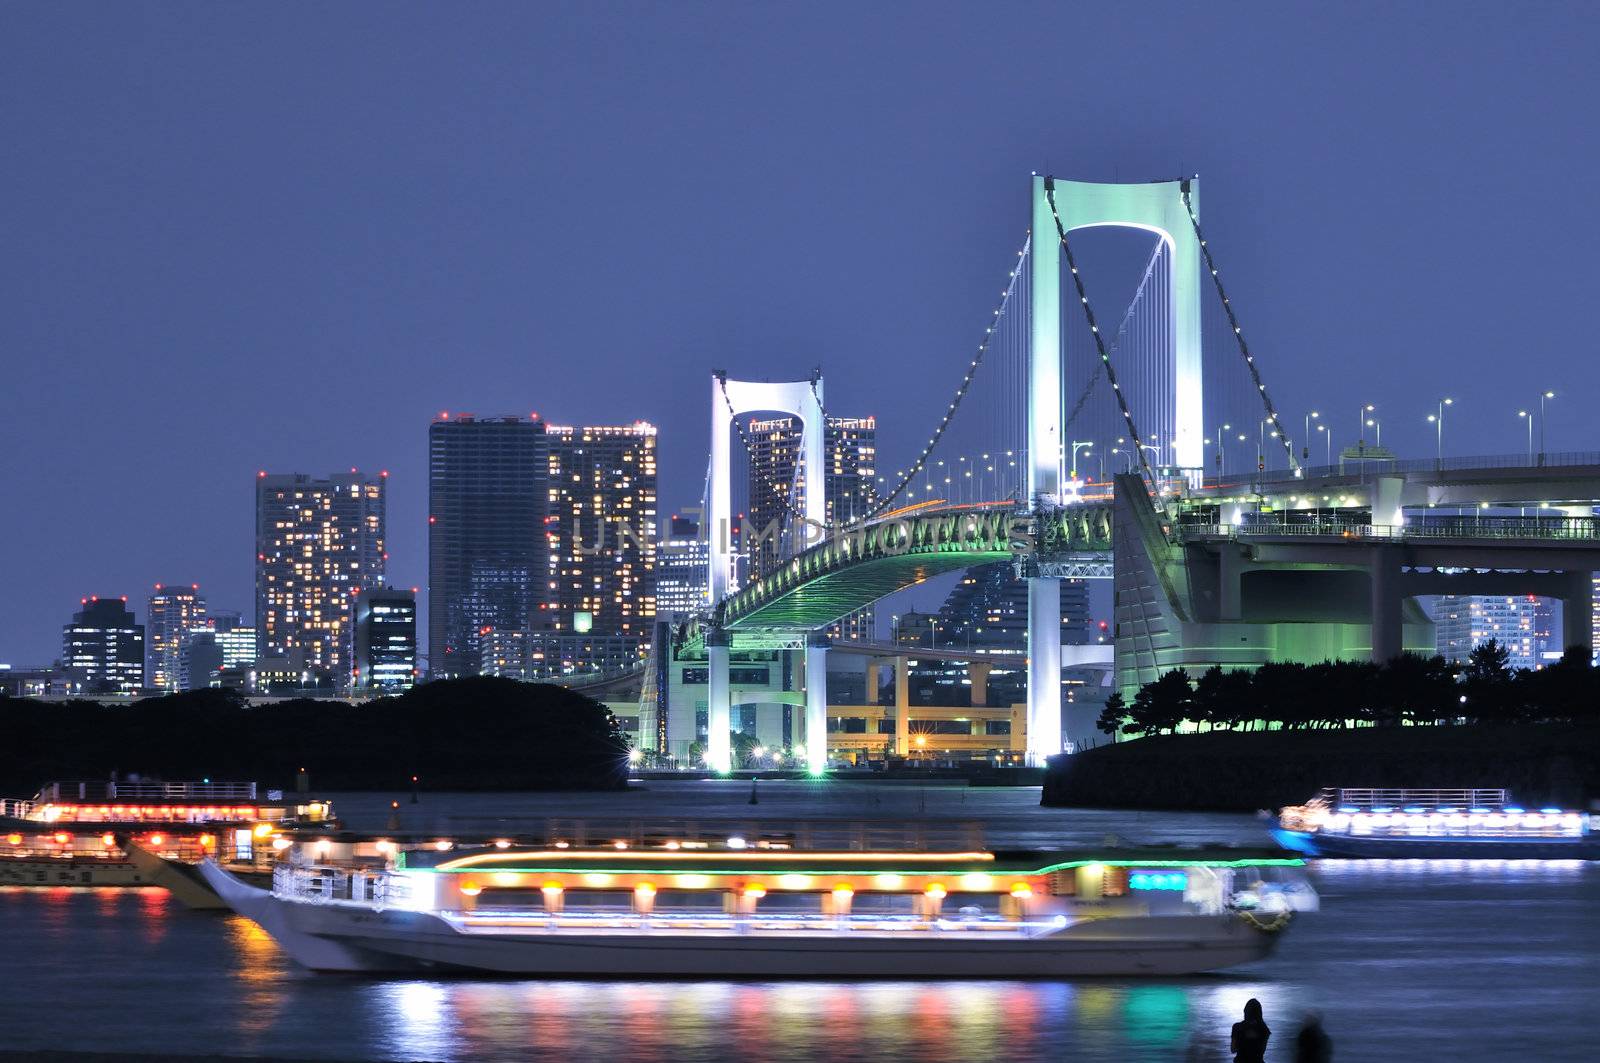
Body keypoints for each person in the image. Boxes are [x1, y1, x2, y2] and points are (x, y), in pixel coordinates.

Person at [1230, 998, 1270, 1063]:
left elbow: (1233, 1050)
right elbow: (1261, 1051)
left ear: (1245, 1011)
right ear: (1259, 1013)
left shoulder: (1237, 1027)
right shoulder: (1264, 1029)